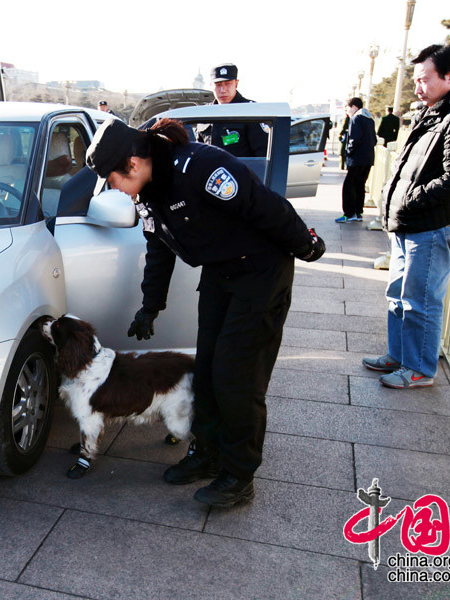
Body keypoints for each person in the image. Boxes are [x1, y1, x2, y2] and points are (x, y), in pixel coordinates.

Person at [85, 118, 325, 507]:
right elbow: (159, 250)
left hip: (261, 272)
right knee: (209, 370)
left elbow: (266, 207)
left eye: (111, 179)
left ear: (132, 163)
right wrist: (150, 307)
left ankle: (238, 474)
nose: (113, 189)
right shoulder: (147, 190)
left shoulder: (202, 168)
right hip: (221, 272)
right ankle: (209, 453)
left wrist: (308, 244)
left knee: (238, 377)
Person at [363, 44, 450, 389]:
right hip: (409, 223)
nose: (418, 88)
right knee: (399, 294)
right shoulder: (432, 110)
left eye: (424, 80)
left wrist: (410, 201)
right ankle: (399, 355)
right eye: (415, 80)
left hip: (429, 227)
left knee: (421, 302)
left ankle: (419, 369)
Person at [195, 63, 269, 158]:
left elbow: (262, 154)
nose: (223, 90)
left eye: (228, 84)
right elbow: (198, 151)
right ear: (211, 85)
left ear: (236, 84)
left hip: (240, 172)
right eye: (218, 85)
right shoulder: (204, 114)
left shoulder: (250, 111)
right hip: (210, 171)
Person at [336, 97, 376, 223]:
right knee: (360, 185)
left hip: (357, 159)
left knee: (349, 186)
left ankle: (348, 213)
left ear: (354, 107)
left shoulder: (356, 119)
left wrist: (348, 152)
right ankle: (358, 213)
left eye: (347, 108)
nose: (347, 111)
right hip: (368, 158)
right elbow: (374, 140)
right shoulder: (369, 119)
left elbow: (354, 139)